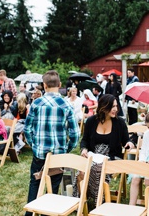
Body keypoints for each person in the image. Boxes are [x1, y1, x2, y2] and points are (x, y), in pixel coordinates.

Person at [23, 71, 80, 216]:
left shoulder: (36, 103)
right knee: (53, 187)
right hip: (58, 154)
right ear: (60, 85)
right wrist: (67, 148)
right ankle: (47, 213)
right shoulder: (65, 104)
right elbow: (75, 133)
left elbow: (27, 129)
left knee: (35, 182)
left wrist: (33, 144)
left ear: (44, 85)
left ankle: (29, 214)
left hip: (39, 153)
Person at [80, 94, 133, 209]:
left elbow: (126, 140)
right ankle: (83, 200)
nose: (115, 109)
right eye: (112, 106)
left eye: (116, 106)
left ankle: (97, 202)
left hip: (112, 157)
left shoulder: (119, 123)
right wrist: (84, 149)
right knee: (81, 172)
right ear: (104, 107)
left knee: (97, 169)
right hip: (93, 155)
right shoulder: (91, 121)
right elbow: (84, 141)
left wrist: (129, 144)